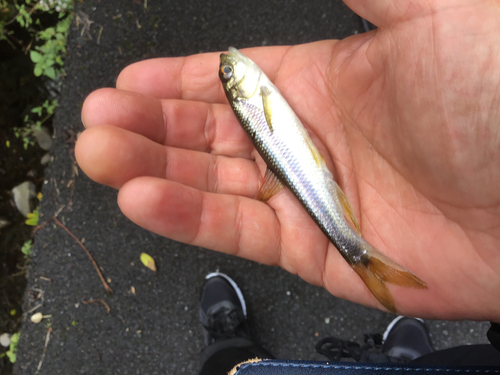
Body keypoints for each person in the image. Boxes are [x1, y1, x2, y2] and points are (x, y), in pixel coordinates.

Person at [75, 0, 500, 371]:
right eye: (230, 71)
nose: (231, 63)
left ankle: (235, 348)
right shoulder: (251, 93)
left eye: (227, 71)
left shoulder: (253, 94)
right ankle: (363, 263)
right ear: (241, 85)